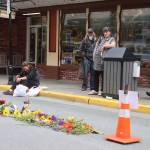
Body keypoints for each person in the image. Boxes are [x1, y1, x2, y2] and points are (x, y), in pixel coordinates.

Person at [88, 26, 116, 95]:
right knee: (95, 75)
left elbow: (113, 45)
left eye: (106, 32)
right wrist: (94, 56)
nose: (105, 33)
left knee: (103, 75)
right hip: (97, 59)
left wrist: (104, 46)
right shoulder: (100, 38)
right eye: (104, 32)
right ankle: (95, 90)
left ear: (109, 32)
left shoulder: (111, 39)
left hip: (104, 59)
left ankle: (102, 90)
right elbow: (96, 47)